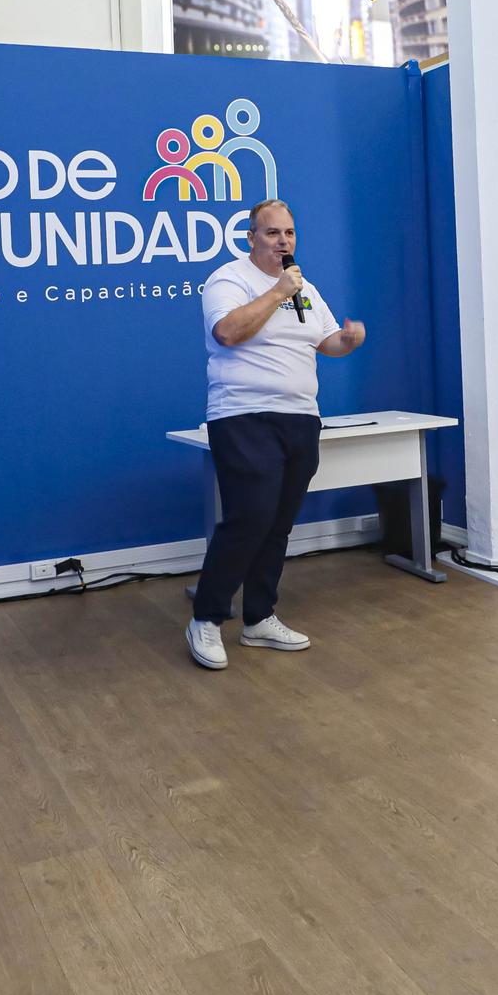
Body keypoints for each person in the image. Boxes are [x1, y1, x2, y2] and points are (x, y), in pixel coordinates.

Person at [190, 199, 367, 669]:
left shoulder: (305, 287)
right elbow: (228, 333)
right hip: (243, 415)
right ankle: (206, 618)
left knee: (278, 523)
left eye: (289, 233)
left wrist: (349, 341)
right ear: (251, 238)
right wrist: (277, 292)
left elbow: (325, 341)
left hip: (300, 417)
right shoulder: (230, 280)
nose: (283, 241)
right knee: (249, 517)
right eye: (272, 233)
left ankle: (259, 618)